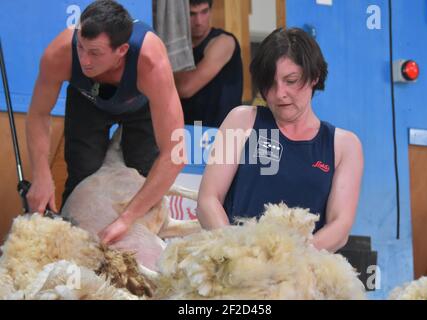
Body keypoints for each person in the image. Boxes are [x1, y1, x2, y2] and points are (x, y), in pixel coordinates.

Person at [25, 0, 185, 245]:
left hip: (140, 106)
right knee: (81, 176)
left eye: (95, 53)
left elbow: (175, 153)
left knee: (140, 178)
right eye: (80, 47)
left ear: (121, 51)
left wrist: (127, 218)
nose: (84, 60)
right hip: (86, 100)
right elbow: (38, 114)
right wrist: (41, 173)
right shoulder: (59, 54)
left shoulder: (151, 62)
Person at [197, 28, 364, 253]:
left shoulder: (344, 145)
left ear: (314, 77)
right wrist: (239, 255)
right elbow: (208, 201)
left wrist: (286, 262)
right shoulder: (242, 121)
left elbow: (340, 227)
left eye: (291, 80)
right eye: (270, 83)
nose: (279, 93)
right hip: (239, 270)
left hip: (303, 275)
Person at [174, 0, 243, 128]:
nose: (199, 21)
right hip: (187, 131)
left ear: (211, 11)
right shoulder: (181, 46)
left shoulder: (223, 41)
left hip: (220, 134)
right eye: (192, 14)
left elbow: (185, 88)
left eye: (204, 12)